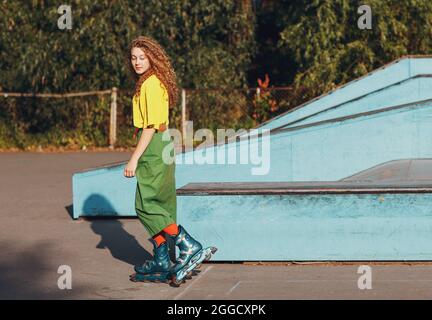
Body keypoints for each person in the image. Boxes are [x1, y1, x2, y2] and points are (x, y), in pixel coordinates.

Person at [124, 36, 204, 284]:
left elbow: (150, 126)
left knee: (147, 205)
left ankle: (188, 245)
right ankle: (161, 259)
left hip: (154, 145)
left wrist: (133, 159)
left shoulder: (151, 84)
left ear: (152, 58)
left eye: (142, 57)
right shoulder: (148, 82)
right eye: (134, 57)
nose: (137, 62)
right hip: (160, 145)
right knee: (156, 202)